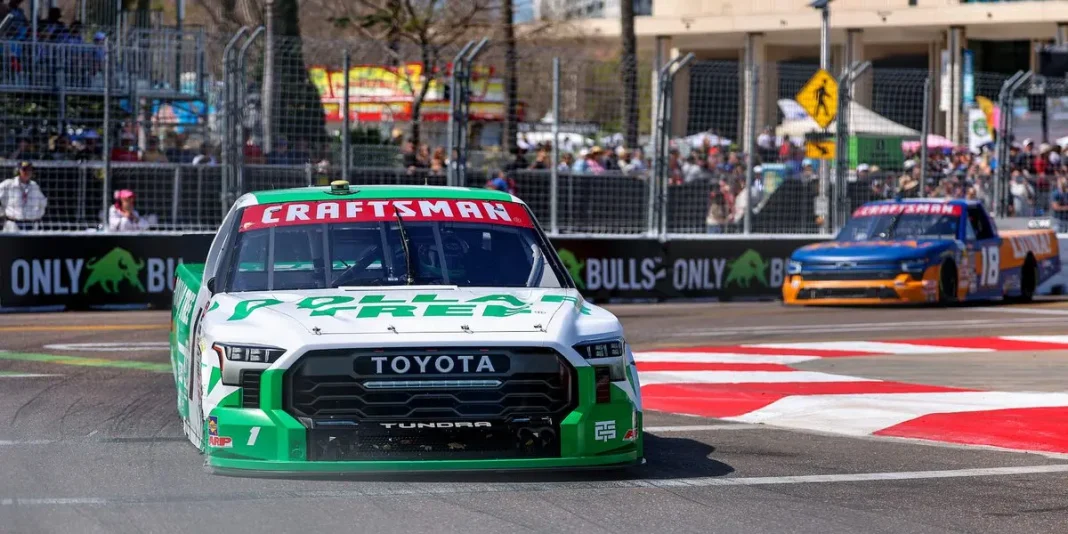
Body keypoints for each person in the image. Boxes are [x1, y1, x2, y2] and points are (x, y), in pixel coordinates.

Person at [0, 161, 47, 232]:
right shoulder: (8, 184)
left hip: (31, 225)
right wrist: (1, 213)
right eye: (24, 169)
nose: (27, 172)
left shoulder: (34, 185)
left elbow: (43, 203)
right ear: (18, 171)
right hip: (13, 225)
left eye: (30, 170)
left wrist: (37, 215)